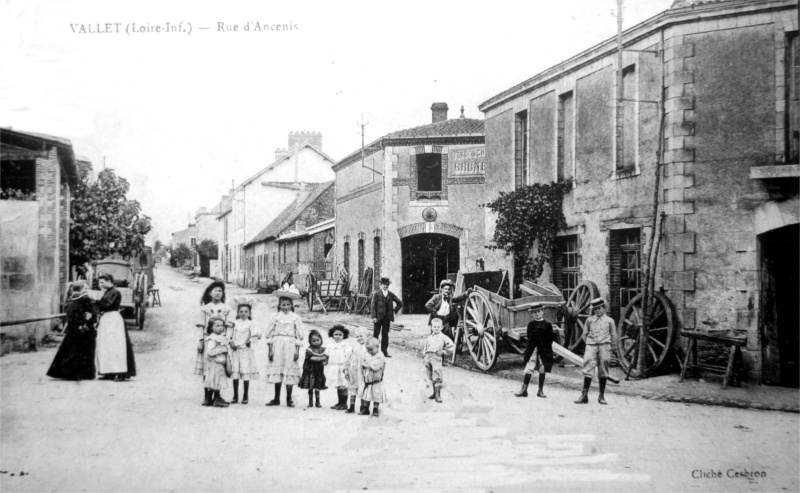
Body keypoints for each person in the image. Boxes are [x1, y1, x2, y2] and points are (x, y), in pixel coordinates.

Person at [47, 281, 97, 380]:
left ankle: (73, 373)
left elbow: (72, 315)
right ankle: (78, 373)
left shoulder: (73, 299)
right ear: (81, 289)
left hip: (75, 329)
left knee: (73, 350)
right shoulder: (83, 300)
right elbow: (88, 314)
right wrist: (87, 318)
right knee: (79, 351)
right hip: (82, 329)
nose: (87, 290)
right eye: (85, 288)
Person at [265, 286, 304, 407]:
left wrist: (297, 351)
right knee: (278, 371)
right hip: (277, 345)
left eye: (288, 305)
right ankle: (276, 398)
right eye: (283, 305)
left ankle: (289, 398)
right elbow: (269, 335)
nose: (285, 307)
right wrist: (270, 350)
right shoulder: (275, 317)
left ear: (291, 305)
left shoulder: (295, 318)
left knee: (289, 371)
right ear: (279, 305)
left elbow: (299, 336)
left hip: (290, 345)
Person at [195, 281, 234, 405]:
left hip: (221, 342)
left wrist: (226, 340)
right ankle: (207, 397)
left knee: (219, 368)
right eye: (215, 291)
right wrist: (201, 341)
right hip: (208, 341)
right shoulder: (205, 308)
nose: (218, 293)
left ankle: (217, 396)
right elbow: (201, 326)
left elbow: (229, 326)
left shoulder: (226, 309)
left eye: (220, 291)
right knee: (207, 369)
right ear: (210, 293)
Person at [575, 298, 618, 405]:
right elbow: (584, 334)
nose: (597, 311)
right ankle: (584, 395)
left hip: (604, 346)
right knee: (588, 367)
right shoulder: (589, 320)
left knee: (603, 369)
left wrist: (613, 347)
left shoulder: (609, 321)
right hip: (591, 346)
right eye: (595, 309)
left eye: (599, 308)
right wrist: (590, 344)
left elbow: (614, 335)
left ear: (604, 308)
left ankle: (601, 396)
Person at [95, 273, 136, 381]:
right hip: (106, 319)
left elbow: (107, 305)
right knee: (105, 345)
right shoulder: (107, 291)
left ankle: (120, 372)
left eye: (102, 282)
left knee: (116, 345)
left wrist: (96, 300)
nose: (100, 284)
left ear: (109, 281)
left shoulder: (115, 292)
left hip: (113, 319)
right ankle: (108, 372)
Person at [515, 302, 554, 398]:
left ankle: (540, 390)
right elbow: (529, 338)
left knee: (542, 368)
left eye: (539, 311)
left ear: (542, 312)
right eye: (534, 312)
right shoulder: (531, 325)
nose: (537, 313)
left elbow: (550, 339)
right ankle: (524, 389)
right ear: (532, 313)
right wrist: (530, 350)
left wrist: (545, 348)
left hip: (544, 350)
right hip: (534, 350)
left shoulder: (547, 325)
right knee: (529, 367)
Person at [228, 297, 261, 404]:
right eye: (241, 311)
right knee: (236, 372)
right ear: (237, 312)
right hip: (236, 351)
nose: (243, 313)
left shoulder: (251, 323)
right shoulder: (234, 323)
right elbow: (228, 335)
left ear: (250, 313)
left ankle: (245, 395)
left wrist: (250, 340)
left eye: (246, 311)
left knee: (245, 371)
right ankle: (235, 395)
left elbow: (257, 335)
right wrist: (231, 342)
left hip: (246, 351)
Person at [423, 317, 455, 403]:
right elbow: (426, 347)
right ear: (431, 327)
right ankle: (434, 392)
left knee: (437, 375)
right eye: (434, 327)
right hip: (428, 357)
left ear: (442, 327)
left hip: (436, 357)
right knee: (430, 375)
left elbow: (452, 347)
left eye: (438, 327)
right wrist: (424, 356)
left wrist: (444, 352)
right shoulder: (429, 337)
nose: (436, 328)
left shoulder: (444, 337)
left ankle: (438, 395)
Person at [370, 277, 403, 358]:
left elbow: (400, 303)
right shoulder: (376, 294)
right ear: (381, 285)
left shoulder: (391, 294)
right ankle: (373, 351)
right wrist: (374, 317)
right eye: (384, 284)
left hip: (387, 318)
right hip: (378, 318)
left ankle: (384, 351)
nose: (385, 286)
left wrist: (394, 311)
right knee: (375, 334)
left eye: (387, 285)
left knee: (385, 335)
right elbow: (373, 306)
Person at [204, 317, 230, 408]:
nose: (220, 327)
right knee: (215, 381)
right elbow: (210, 352)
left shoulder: (221, 337)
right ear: (211, 327)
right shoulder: (212, 339)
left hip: (219, 364)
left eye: (222, 325)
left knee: (215, 381)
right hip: (215, 364)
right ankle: (215, 399)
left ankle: (211, 399)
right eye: (217, 325)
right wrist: (221, 349)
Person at [298, 329, 328, 408]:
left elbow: (327, 356)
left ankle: (318, 401)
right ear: (310, 341)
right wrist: (321, 358)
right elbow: (312, 358)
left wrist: (325, 361)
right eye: (313, 340)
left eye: (318, 340)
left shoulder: (323, 349)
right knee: (311, 386)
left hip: (319, 370)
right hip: (310, 370)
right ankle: (310, 401)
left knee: (318, 385)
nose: (316, 342)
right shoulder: (309, 349)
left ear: (321, 340)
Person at [325, 325, 352, 410]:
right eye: (336, 334)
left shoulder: (346, 345)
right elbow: (327, 355)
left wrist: (347, 367)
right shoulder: (330, 345)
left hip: (342, 367)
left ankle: (344, 404)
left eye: (340, 335)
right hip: (334, 367)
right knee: (338, 385)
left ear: (344, 336)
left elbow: (348, 357)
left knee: (343, 385)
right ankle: (340, 402)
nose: (338, 336)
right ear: (332, 335)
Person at [360, 337, 386, 417]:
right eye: (368, 350)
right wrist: (364, 365)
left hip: (376, 380)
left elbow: (376, 365)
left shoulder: (380, 356)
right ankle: (366, 409)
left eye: (371, 349)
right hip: (368, 380)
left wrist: (368, 365)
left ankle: (375, 409)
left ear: (377, 347)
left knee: (376, 395)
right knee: (367, 395)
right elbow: (363, 362)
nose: (369, 351)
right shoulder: (367, 354)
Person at [344, 328, 368, 414]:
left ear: (366, 336)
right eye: (357, 336)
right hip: (352, 371)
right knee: (352, 388)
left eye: (361, 336)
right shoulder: (353, 347)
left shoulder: (368, 348)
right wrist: (346, 369)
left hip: (362, 372)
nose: (359, 338)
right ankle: (351, 407)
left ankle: (363, 407)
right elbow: (348, 358)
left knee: (363, 388)